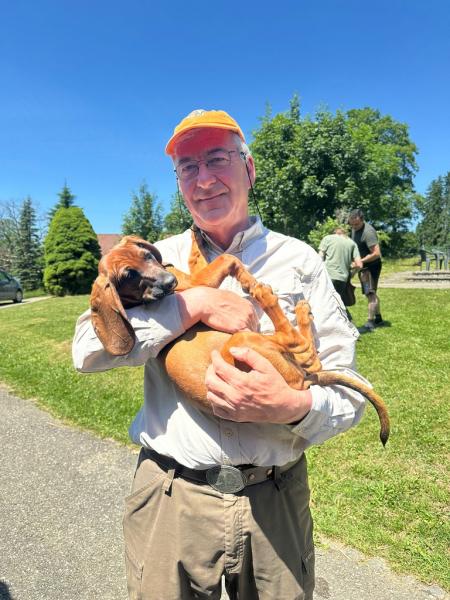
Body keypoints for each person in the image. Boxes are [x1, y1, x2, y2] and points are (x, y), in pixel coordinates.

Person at [73, 109, 371, 600]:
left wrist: (294, 407)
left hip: (275, 498)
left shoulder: (299, 259)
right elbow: (86, 350)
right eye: (188, 167)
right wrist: (190, 305)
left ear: (248, 169)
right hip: (172, 496)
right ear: (179, 183)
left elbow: (347, 385)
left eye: (217, 159)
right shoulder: (150, 260)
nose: (204, 178)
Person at [348, 209, 384, 331]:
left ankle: (370, 322)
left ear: (362, 220)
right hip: (363, 266)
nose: (354, 227)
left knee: (370, 293)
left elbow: (376, 253)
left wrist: (360, 262)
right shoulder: (354, 229)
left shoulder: (368, 232)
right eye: (352, 224)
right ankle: (378, 317)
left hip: (372, 266)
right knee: (371, 293)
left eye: (356, 224)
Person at [318, 227, 363, 320]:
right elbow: (359, 265)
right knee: (337, 301)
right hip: (343, 279)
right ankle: (346, 321)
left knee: (327, 302)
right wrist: (352, 274)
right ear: (345, 234)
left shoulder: (328, 238)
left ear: (334, 233)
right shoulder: (352, 243)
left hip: (328, 276)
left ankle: (347, 321)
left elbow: (320, 257)